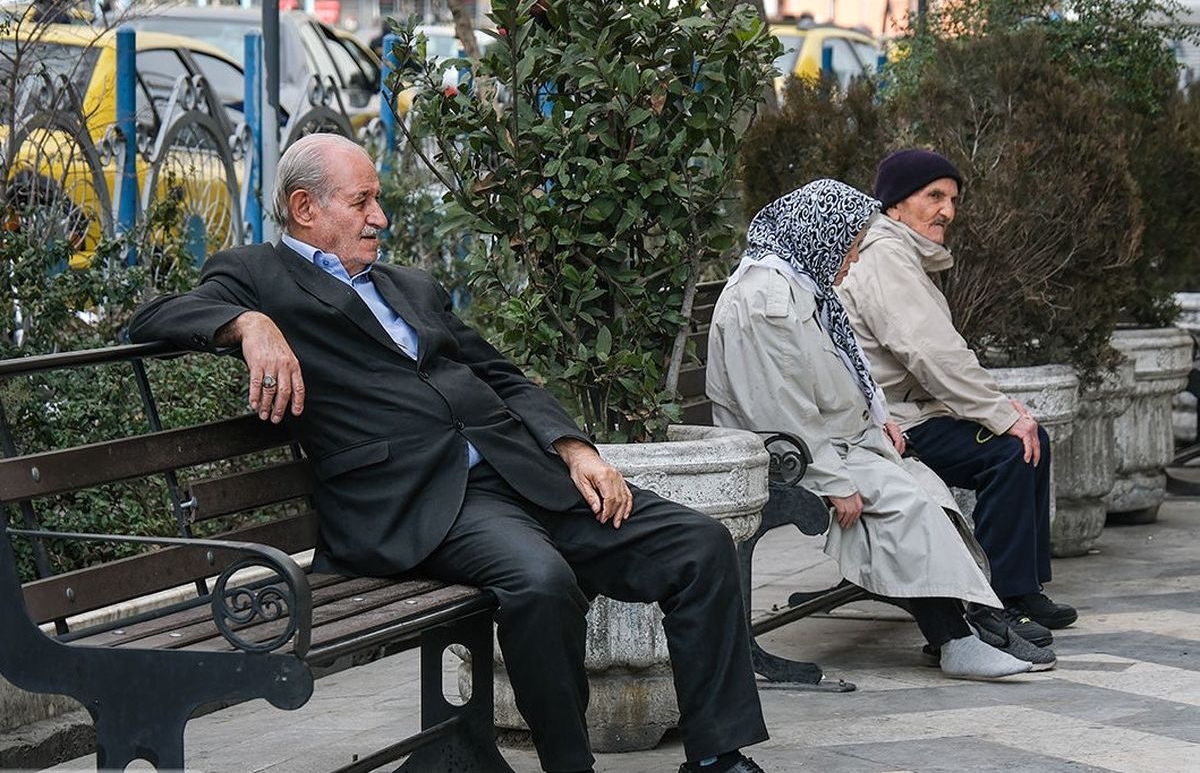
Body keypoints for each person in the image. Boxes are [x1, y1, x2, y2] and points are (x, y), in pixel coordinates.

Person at [129, 134, 768, 773]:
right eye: (363, 202)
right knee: (541, 582)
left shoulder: (410, 286)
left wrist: (577, 449)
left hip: (524, 473)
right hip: (423, 503)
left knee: (699, 545)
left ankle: (716, 758)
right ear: (305, 208)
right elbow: (155, 317)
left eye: (376, 200)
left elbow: (502, 375)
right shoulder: (259, 275)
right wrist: (250, 325)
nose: (380, 218)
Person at [706, 179, 1048, 680]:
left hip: (835, 443)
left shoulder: (797, 281)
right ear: (819, 236)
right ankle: (958, 638)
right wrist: (834, 484)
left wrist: (880, 416)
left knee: (927, 495)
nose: (854, 259)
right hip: (799, 456)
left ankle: (977, 620)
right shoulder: (767, 300)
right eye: (849, 246)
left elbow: (843, 371)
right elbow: (780, 408)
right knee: (905, 506)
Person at [836, 148, 1079, 649]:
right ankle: (995, 602)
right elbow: (931, 353)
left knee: (1032, 440)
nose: (947, 210)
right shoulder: (885, 256)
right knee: (1011, 450)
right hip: (894, 423)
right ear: (895, 204)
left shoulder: (901, 253)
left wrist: (1005, 412)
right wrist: (1000, 414)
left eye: (952, 199)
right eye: (934, 196)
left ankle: (1023, 588)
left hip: (914, 412)